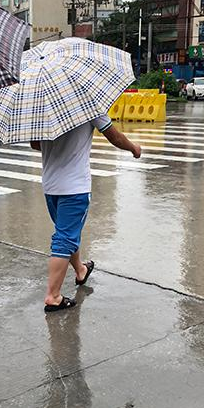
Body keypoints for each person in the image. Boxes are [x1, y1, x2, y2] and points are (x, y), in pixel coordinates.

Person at [31, 114, 142, 313]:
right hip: (75, 187)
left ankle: (81, 270)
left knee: (67, 232)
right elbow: (114, 136)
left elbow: (35, 144)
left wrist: (58, 145)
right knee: (65, 238)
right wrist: (134, 148)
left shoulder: (41, 110)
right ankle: (53, 296)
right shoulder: (89, 106)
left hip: (51, 186)